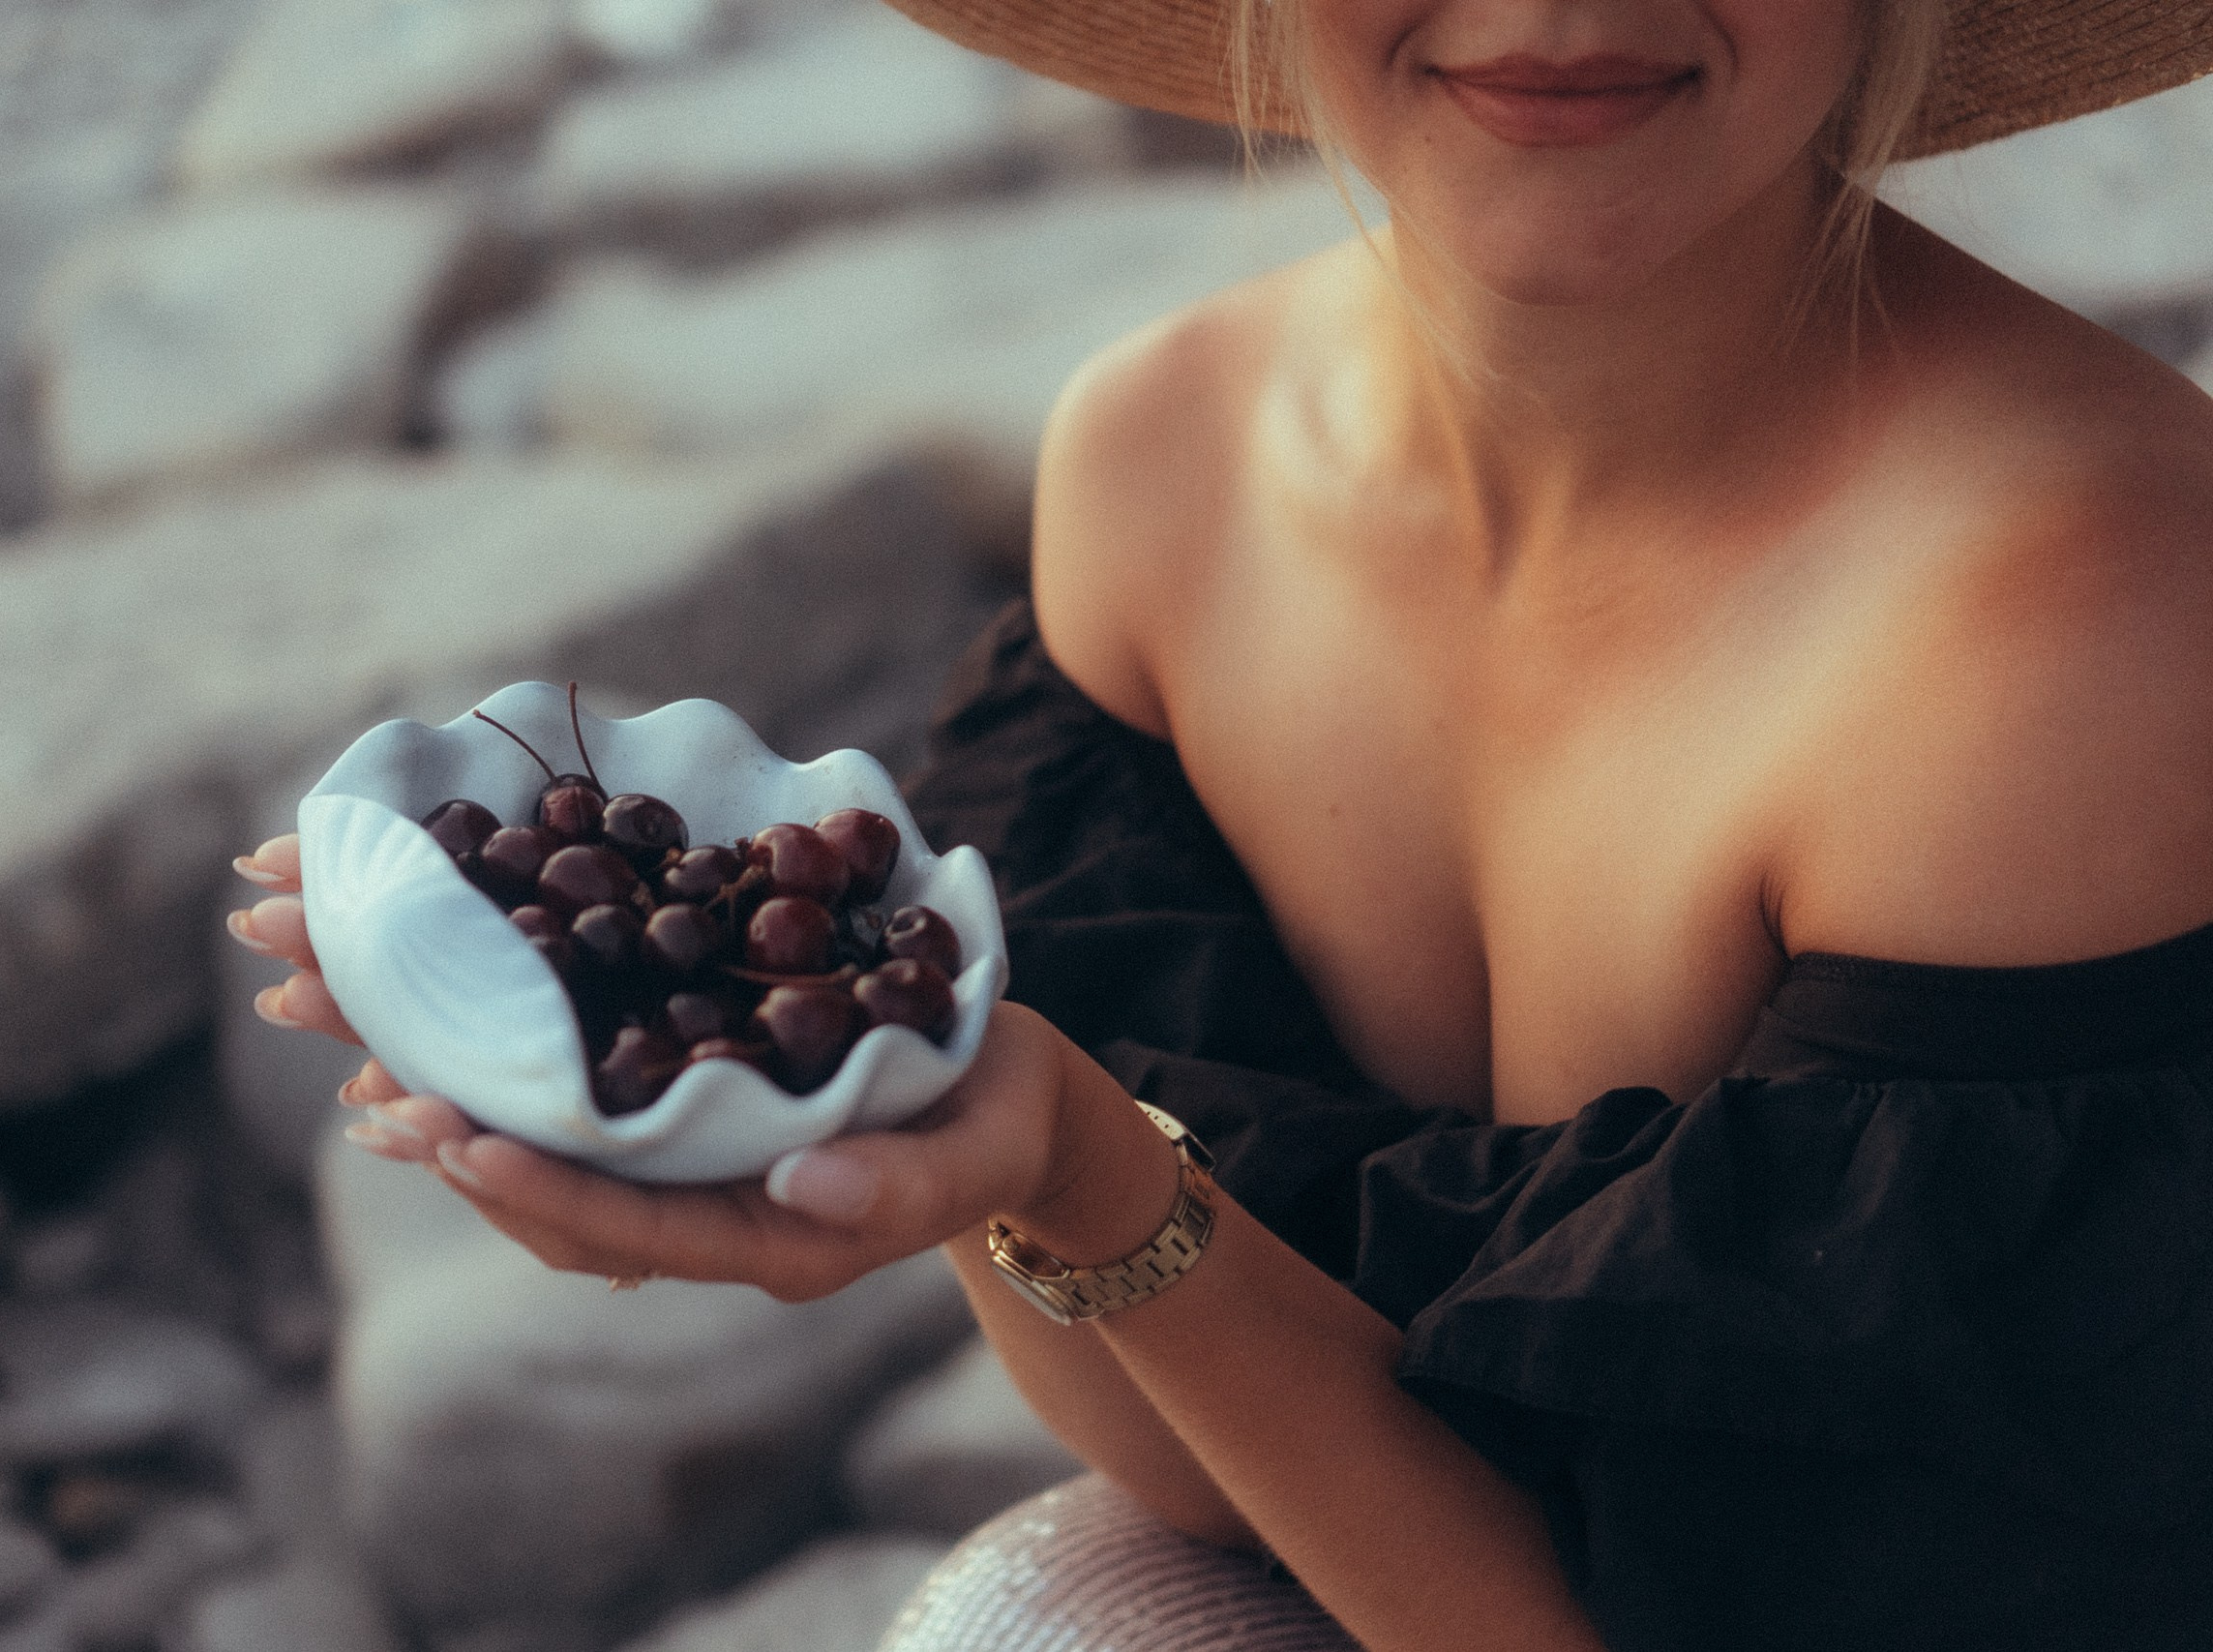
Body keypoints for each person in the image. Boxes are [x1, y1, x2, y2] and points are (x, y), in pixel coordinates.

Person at [226, 1, 2213, 1645]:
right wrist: (918, 1108)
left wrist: (1090, 1169)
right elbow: (1198, 1470)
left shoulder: (2082, 618)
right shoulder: (1158, 469)